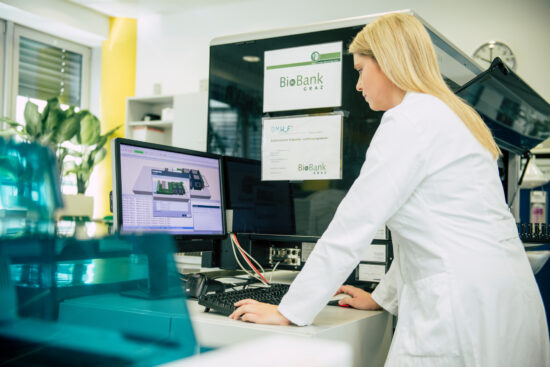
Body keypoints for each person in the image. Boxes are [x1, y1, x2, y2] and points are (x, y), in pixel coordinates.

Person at [229, 12, 550, 366]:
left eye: (361, 70)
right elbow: (431, 231)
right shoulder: (456, 116)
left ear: (389, 63)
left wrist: (290, 310)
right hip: (508, 302)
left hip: (462, 310)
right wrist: (384, 299)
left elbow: (353, 225)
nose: (358, 85)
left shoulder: (407, 121)